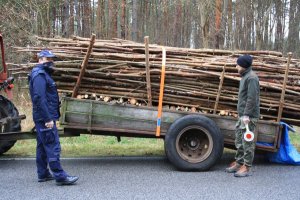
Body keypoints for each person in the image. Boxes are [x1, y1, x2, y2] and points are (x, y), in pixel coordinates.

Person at [29, 50, 79, 185]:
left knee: (42, 146)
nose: (51, 61)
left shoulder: (43, 74)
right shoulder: (39, 75)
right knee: (52, 146)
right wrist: (47, 119)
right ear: (40, 59)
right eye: (47, 59)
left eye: (52, 59)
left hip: (43, 117)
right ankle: (60, 177)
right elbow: (39, 98)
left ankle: (43, 174)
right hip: (45, 118)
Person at [225, 55, 260, 177]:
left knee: (247, 143)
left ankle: (246, 166)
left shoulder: (251, 78)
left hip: (248, 117)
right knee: (239, 141)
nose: (236, 66)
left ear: (244, 65)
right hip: (243, 116)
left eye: (238, 64)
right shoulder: (245, 76)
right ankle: (239, 163)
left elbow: (252, 98)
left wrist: (246, 115)